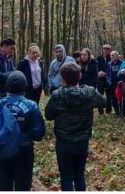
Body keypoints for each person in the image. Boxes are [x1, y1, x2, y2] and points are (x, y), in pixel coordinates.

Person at [44, 61, 107, 191]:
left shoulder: (57, 95)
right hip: (82, 141)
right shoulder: (89, 92)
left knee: (66, 177)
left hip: (64, 142)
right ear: (79, 76)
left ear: (62, 78)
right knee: (79, 176)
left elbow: (49, 115)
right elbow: (103, 103)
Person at [0, 71, 46, 192]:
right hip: (24, 151)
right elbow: (39, 132)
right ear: (25, 86)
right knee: (23, 185)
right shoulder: (32, 105)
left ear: (7, 86)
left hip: (2, 150)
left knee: (4, 185)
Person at [95, 44, 113, 114]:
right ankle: (100, 111)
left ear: (110, 50)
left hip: (108, 79)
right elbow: (96, 67)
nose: (105, 50)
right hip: (100, 79)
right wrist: (98, 73)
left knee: (109, 95)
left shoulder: (111, 58)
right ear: (102, 49)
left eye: (107, 49)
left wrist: (105, 73)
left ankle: (108, 110)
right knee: (100, 95)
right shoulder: (99, 57)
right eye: (104, 49)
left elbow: (112, 68)